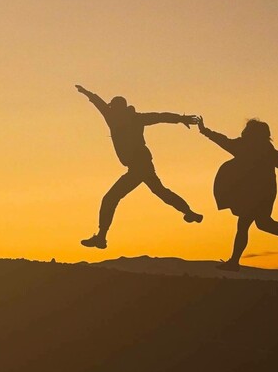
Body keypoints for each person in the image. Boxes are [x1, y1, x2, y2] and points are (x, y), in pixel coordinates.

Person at [75, 85, 203, 249]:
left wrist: (87, 93)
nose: (109, 109)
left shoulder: (115, 118)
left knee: (110, 199)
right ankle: (190, 213)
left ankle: (101, 237)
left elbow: (100, 104)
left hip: (138, 166)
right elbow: (160, 116)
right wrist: (181, 119)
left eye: (112, 107)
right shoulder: (133, 117)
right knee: (160, 191)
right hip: (143, 165)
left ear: (116, 108)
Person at [197, 116, 278, 271]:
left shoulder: (247, 146)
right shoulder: (265, 149)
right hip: (264, 192)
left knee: (245, 225)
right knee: (263, 223)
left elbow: (223, 141)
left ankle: (234, 262)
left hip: (255, 193)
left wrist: (205, 131)